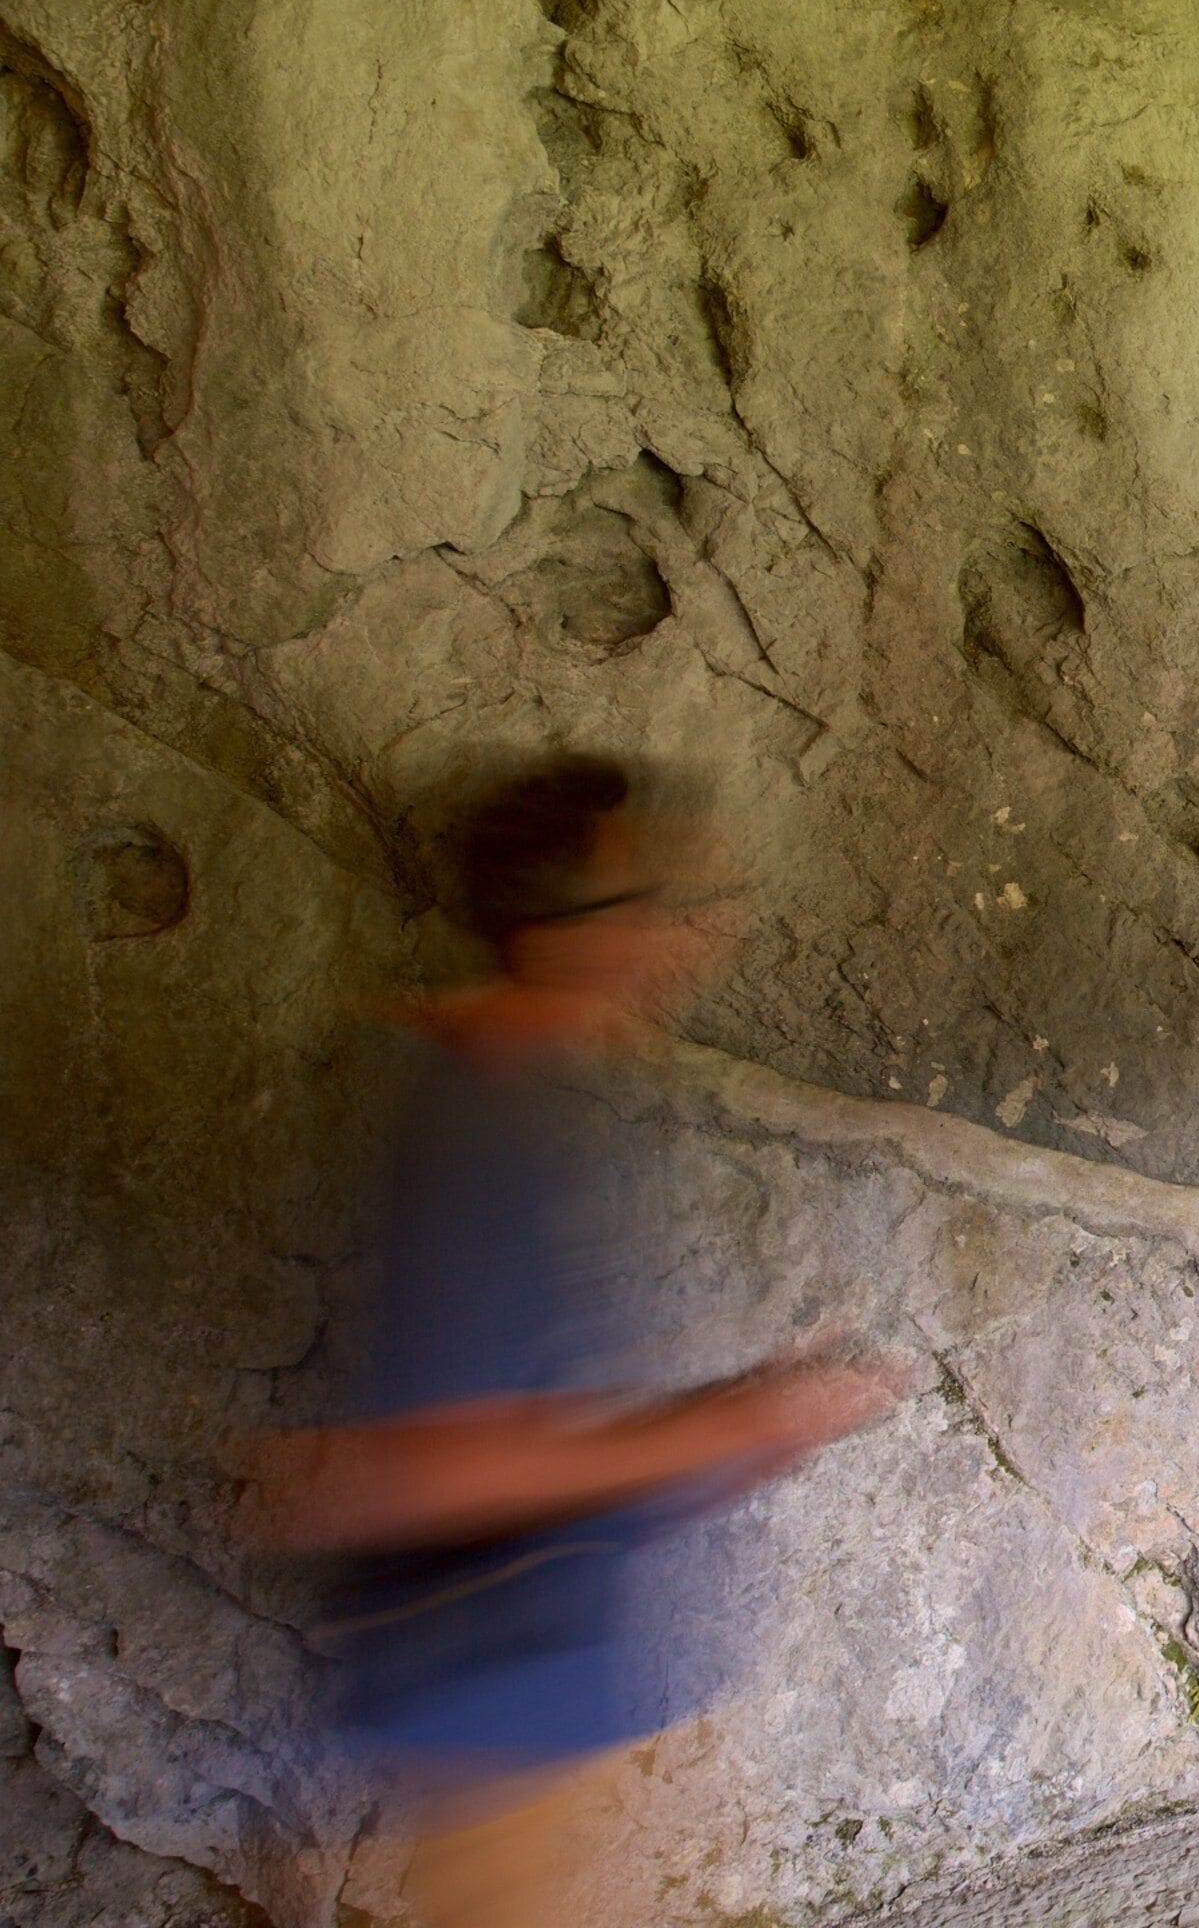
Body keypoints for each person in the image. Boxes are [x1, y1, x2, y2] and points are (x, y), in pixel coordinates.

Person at [245, 757, 909, 1928]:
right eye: (647, 901)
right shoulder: (475, 1126)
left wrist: (732, 1428)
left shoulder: (526, 1100)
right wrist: (730, 1427)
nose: (680, 934)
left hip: (525, 1680)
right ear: (560, 927)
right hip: (489, 1685)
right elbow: (448, 1466)